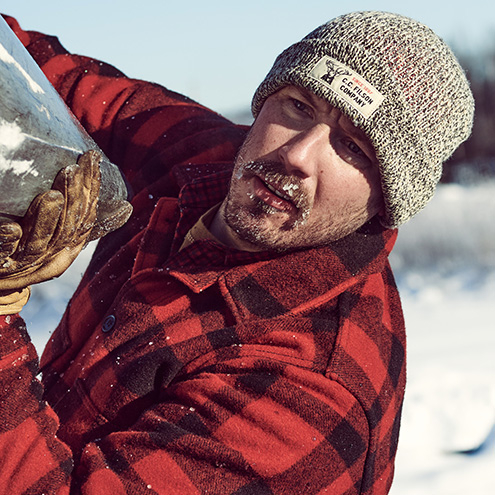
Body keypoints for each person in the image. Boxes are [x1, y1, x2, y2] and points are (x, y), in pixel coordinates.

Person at [0, 11, 474, 495]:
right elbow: (47, 79)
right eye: (299, 106)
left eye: (353, 147)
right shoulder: (210, 159)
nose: (297, 155)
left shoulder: (307, 389)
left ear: (386, 200)